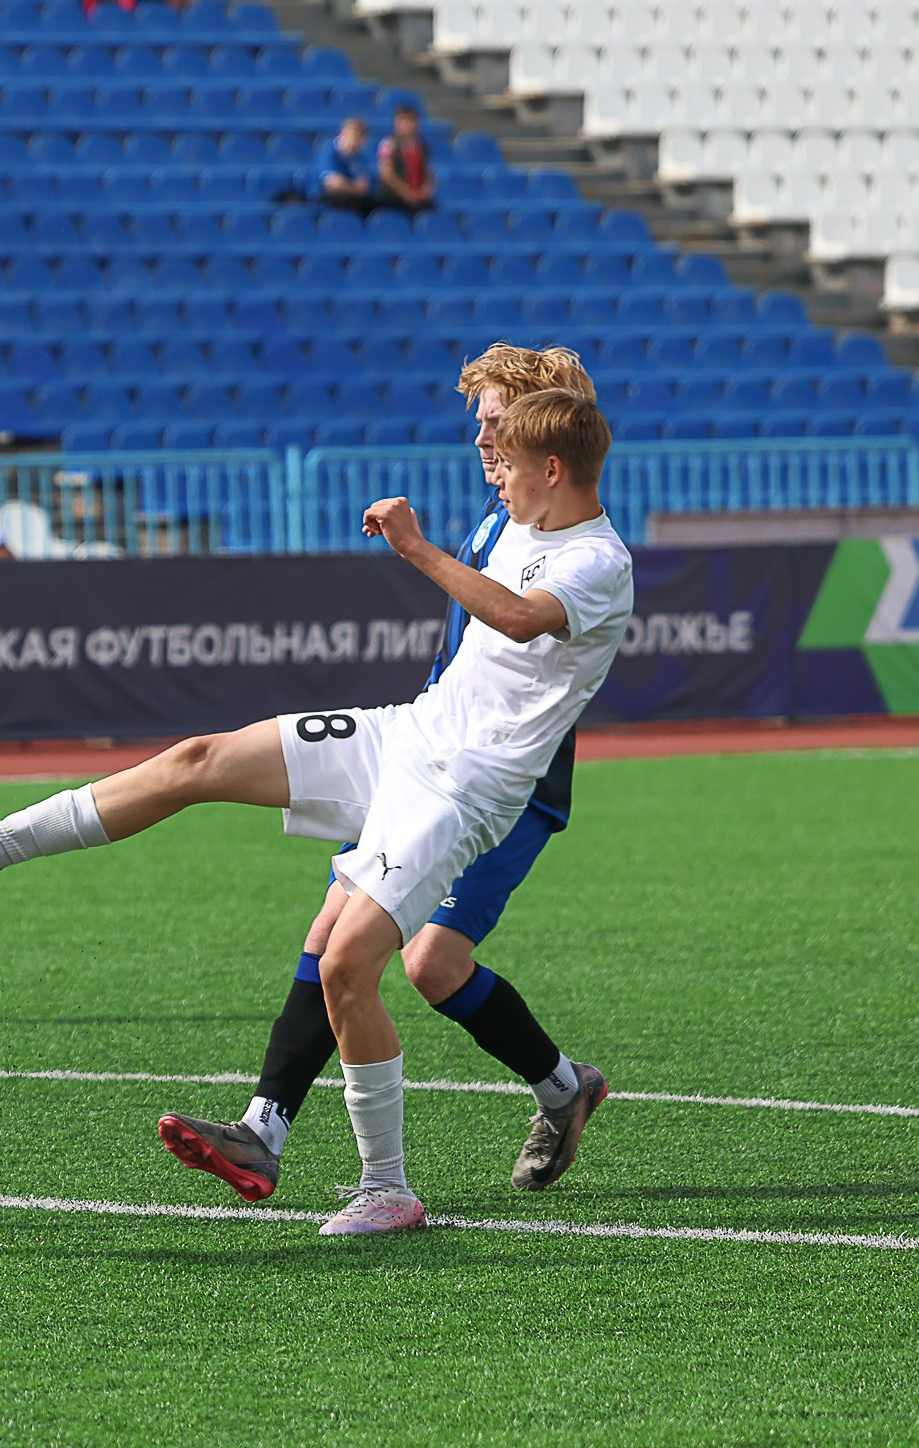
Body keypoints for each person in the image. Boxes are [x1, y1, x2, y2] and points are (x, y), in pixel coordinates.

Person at [0, 389, 633, 1236]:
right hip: (404, 735)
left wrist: (415, 547)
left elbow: (523, 619)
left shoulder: (598, 561)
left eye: (509, 460)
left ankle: (387, 1188)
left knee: (349, 965)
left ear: (554, 469)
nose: (494, 473)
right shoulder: (522, 517)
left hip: (463, 791)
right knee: (196, 760)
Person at [145, 345, 609, 1208]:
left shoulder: (562, 536)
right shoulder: (505, 511)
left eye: (495, 421)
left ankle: (550, 1094)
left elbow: (521, 627)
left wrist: (416, 548)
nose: (482, 438)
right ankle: (265, 1129)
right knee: (337, 930)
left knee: (430, 963)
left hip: (501, 790)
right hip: (425, 759)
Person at [378, 104, 437, 215]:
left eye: (410, 121)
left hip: (418, 195)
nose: (407, 125)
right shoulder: (389, 144)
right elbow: (387, 173)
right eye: (403, 121)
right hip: (395, 197)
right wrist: (406, 193)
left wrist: (426, 189)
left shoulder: (422, 146)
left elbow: (428, 171)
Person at [315, 117, 376, 215]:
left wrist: (345, 185)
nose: (354, 142)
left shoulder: (361, 157)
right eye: (352, 137)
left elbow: (364, 187)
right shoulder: (328, 151)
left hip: (352, 198)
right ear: (342, 135)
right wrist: (353, 187)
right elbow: (331, 183)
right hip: (325, 198)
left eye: (358, 139)